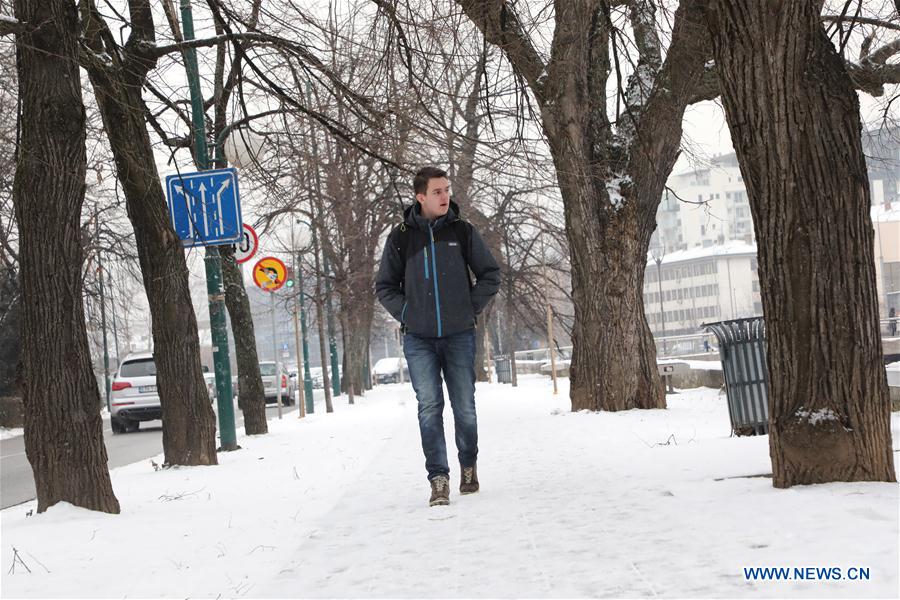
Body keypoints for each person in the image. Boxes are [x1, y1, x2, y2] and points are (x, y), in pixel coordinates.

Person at [376, 166, 501, 507]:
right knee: (429, 408)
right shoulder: (401, 237)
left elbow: (490, 274)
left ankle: (468, 465)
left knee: (465, 409)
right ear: (420, 197)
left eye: (447, 190)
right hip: (419, 339)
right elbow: (385, 286)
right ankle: (439, 479)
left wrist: (468, 307)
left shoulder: (462, 232)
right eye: (437, 192)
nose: (445, 196)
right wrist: (408, 313)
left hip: (460, 334)